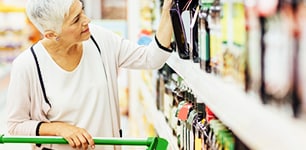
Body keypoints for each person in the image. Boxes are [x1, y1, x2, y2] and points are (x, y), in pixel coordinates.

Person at [6, 0, 173, 149]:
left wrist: (167, 9)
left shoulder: (99, 39)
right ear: (51, 34)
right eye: (76, 19)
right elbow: (15, 125)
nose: (87, 20)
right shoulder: (28, 65)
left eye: (82, 11)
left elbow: (151, 58)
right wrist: (59, 128)